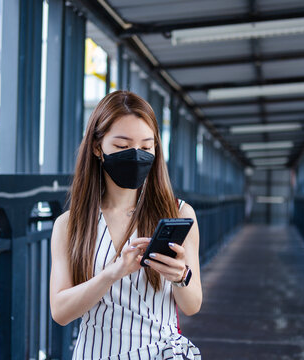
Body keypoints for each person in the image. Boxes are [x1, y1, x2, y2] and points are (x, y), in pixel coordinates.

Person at [49, 90, 202, 360]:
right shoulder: (70, 225)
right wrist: (112, 273)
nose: (135, 155)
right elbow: (60, 312)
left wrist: (180, 275)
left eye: (146, 147)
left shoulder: (178, 212)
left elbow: (192, 305)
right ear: (98, 148)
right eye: (122, 147)